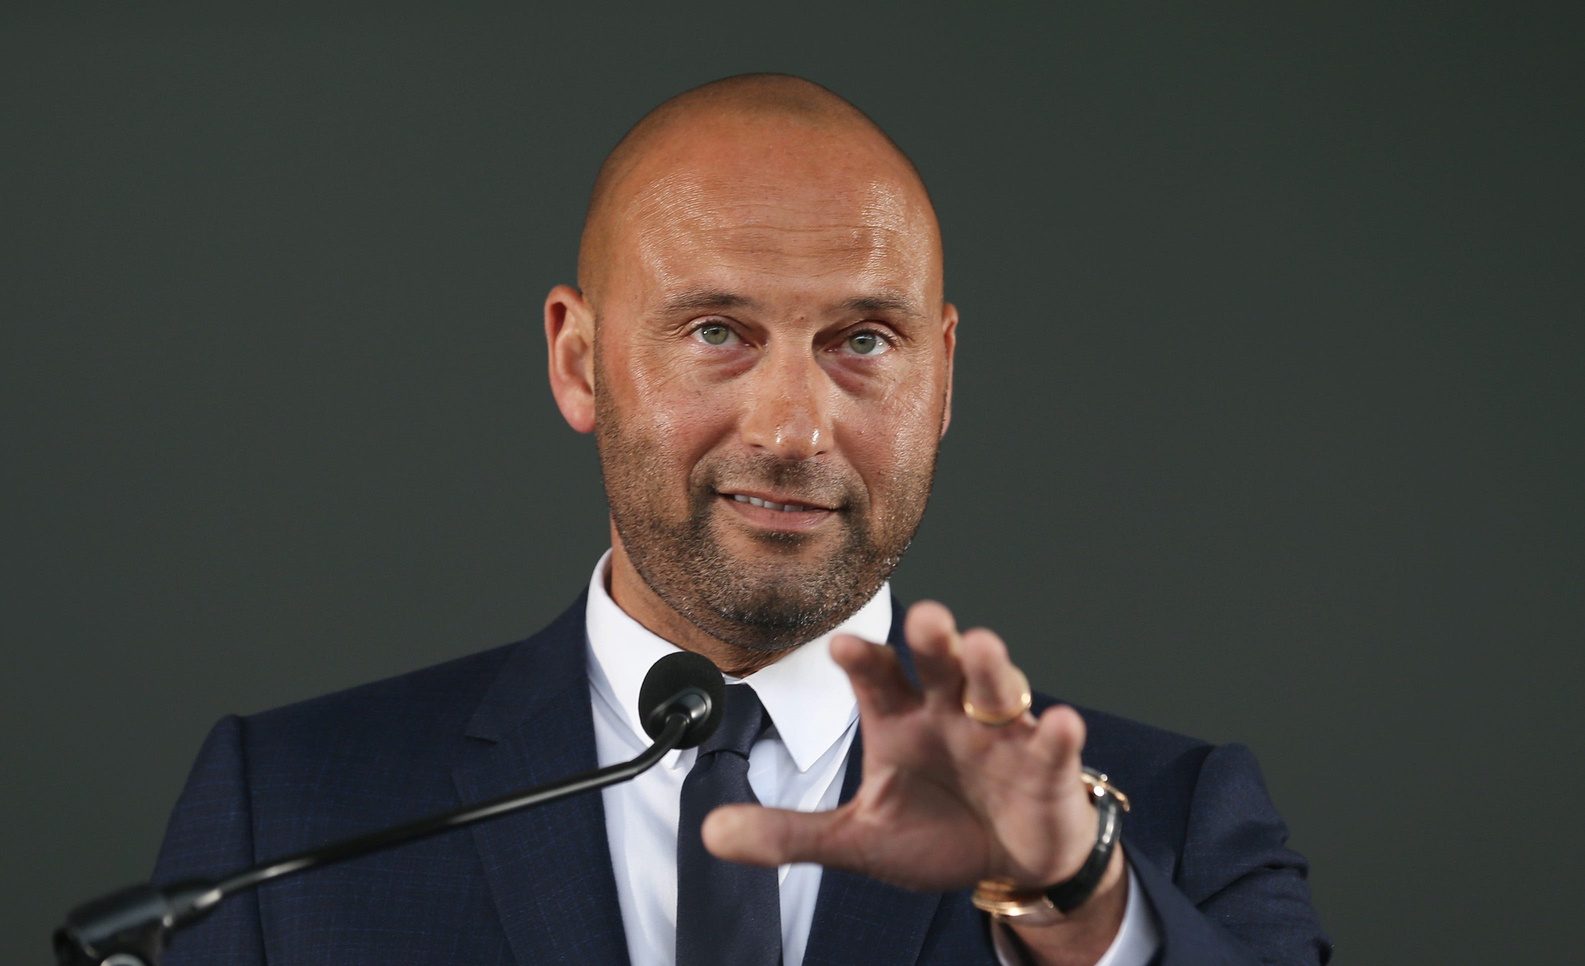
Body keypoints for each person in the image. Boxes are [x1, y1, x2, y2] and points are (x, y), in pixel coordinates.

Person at [153, 74, 1329, 965]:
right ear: (577, 361)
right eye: (717, 333)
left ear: (944, 378)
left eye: (861, 342)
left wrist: (1080, 903)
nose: (793, 430)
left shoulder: (1160, 822)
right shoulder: (294, 808)